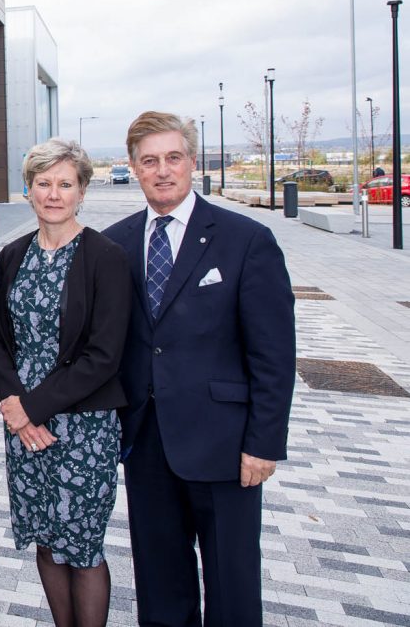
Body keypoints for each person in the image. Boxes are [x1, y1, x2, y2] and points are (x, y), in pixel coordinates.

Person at [103, 111, 295, 626]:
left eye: (173, 158)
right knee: (161, 589)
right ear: (134, 169)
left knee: (232, 589)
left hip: (226, 448)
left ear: (191, 162)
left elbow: (274, 355)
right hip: (146, 443)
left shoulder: (245, 240)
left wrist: (264, 443)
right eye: (149, 161)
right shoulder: (114, 244)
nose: (162, 171)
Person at [0, 138, 130, 627]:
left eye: (65, 184)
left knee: (82, 547)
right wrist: (12, 404)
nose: (53, 193)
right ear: (27, 190)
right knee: (46, 538)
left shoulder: (105, 257)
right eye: (43, 183)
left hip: (83, 429)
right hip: (23, 426)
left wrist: (33, 409)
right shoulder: (12, 255)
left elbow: (104, 356)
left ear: (82, 191)